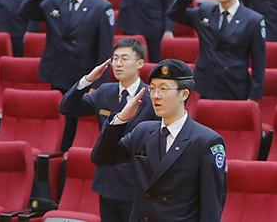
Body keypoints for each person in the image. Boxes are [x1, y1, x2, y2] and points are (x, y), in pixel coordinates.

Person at [91, 59, 226, 222]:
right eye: (152, 89)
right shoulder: (143, 131)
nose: (155, 96)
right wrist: (120, 119)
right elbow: (100, 157)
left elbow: (211, 206)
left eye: (163, 89)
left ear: (184, 94)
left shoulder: (206, 141)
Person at [19, 0, 114, 151]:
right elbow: (25, 11)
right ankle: (59, 154)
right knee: (60, 121)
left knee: (74, 123)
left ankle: (67, 156)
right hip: (56, 71)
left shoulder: (101, 7)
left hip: (82, 75)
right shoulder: (54, 0)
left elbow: (105, 51)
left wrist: (97, 83)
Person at [60, 38, 158, 222]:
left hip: (137, 181)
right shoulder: (105, 91)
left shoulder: (151, 96)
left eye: (124, 58)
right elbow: (67, 108)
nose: (118, 63)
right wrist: (87, 80)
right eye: (115, 58)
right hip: (107, 179)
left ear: (139, 64)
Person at [168, 0, 266, 100]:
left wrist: (254, 96)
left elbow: (258, 62)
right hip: (205, 83)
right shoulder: (205, 11)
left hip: (234, 85)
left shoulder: (253, 20)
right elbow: (173, 14)